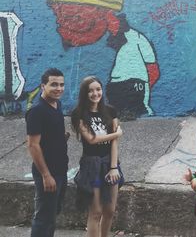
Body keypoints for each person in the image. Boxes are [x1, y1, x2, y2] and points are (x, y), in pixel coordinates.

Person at [71, 76, 123, 237]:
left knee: (110, 210)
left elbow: (114, 143)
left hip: (110, 164)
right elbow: (92, 140)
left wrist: (114, 167)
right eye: (91, 90)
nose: (95, 93)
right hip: (91, 167)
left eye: (98, 89)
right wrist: (116, 134)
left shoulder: (111, 111)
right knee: (96, 212)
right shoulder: (79, 114)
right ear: (84, 93)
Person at [26, 68, 69, 237]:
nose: (59, 89)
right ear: (43, 86)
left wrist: (61, 138)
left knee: (52, 214)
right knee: (43, 218)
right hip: (48, 173)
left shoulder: (57, 104)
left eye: (61, 85)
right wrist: (46, 175)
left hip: (61, 170)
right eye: (54, 85)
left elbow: (47, 136)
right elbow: (33, 145)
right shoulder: (37, 111)